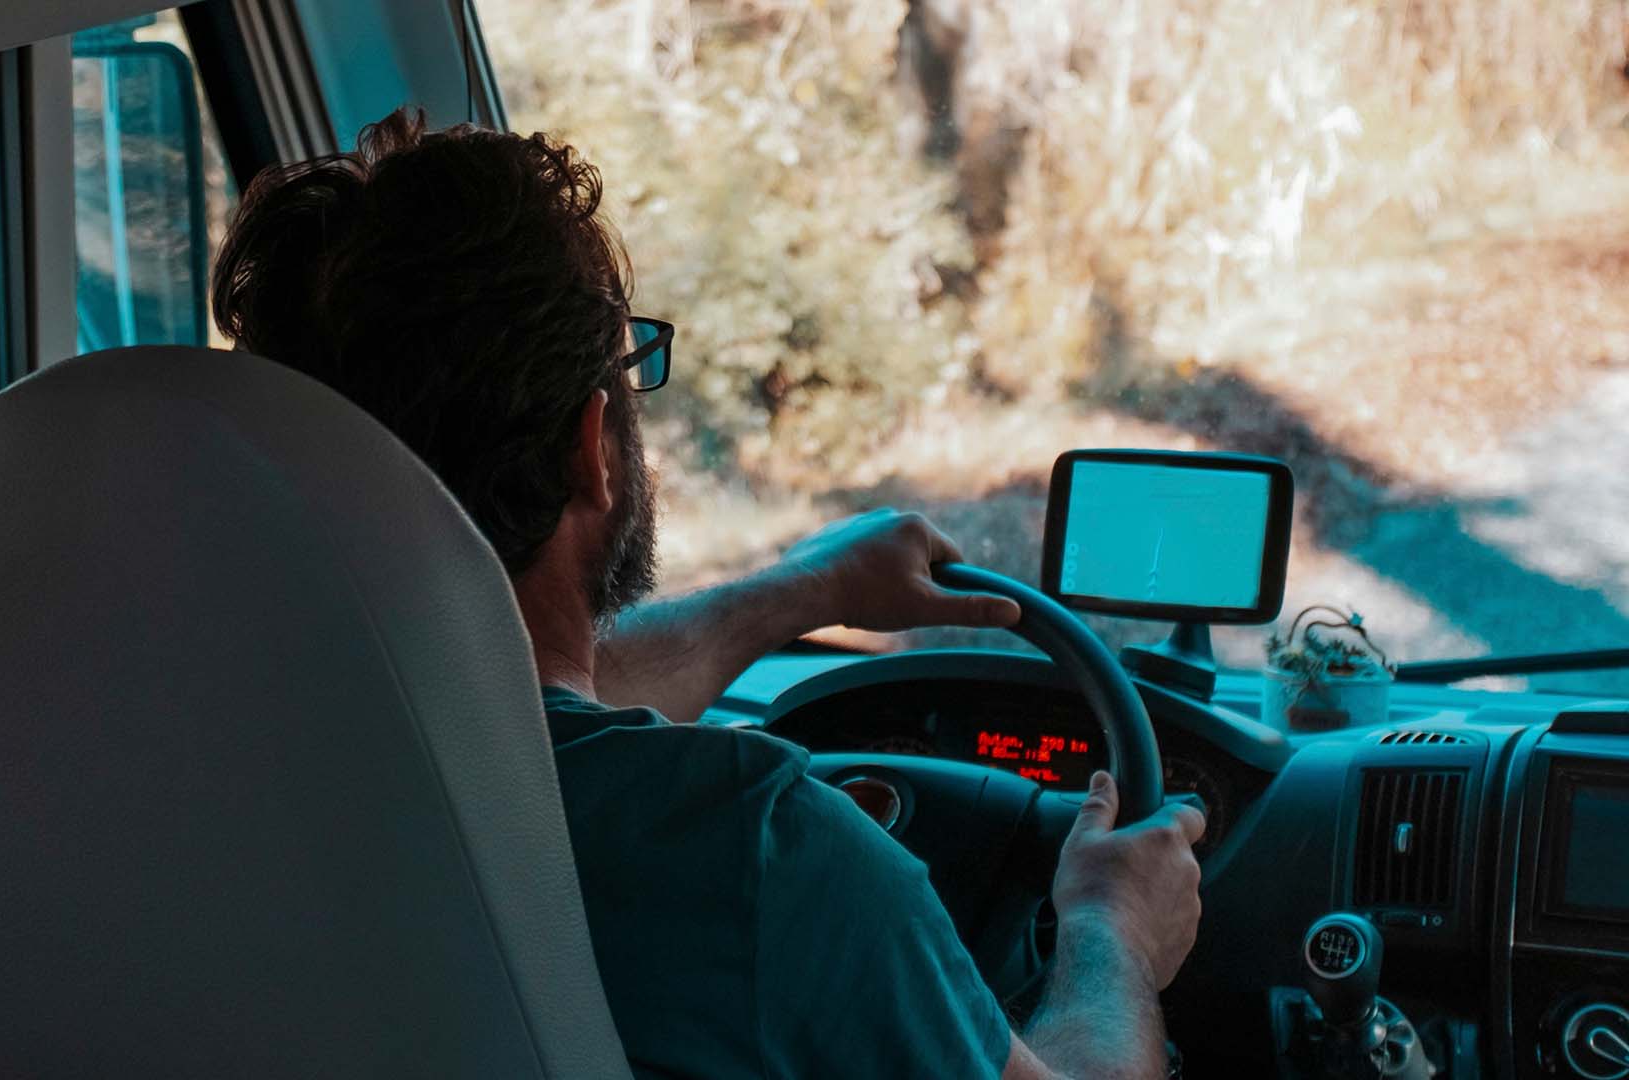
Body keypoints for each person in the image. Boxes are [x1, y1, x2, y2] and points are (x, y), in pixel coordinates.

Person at [210, 108, 1205, 1080]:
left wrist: (813, 587)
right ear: (591, 447)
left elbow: (544, 716)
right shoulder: (757, 854)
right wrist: (1112, 935)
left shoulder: (212, 772)